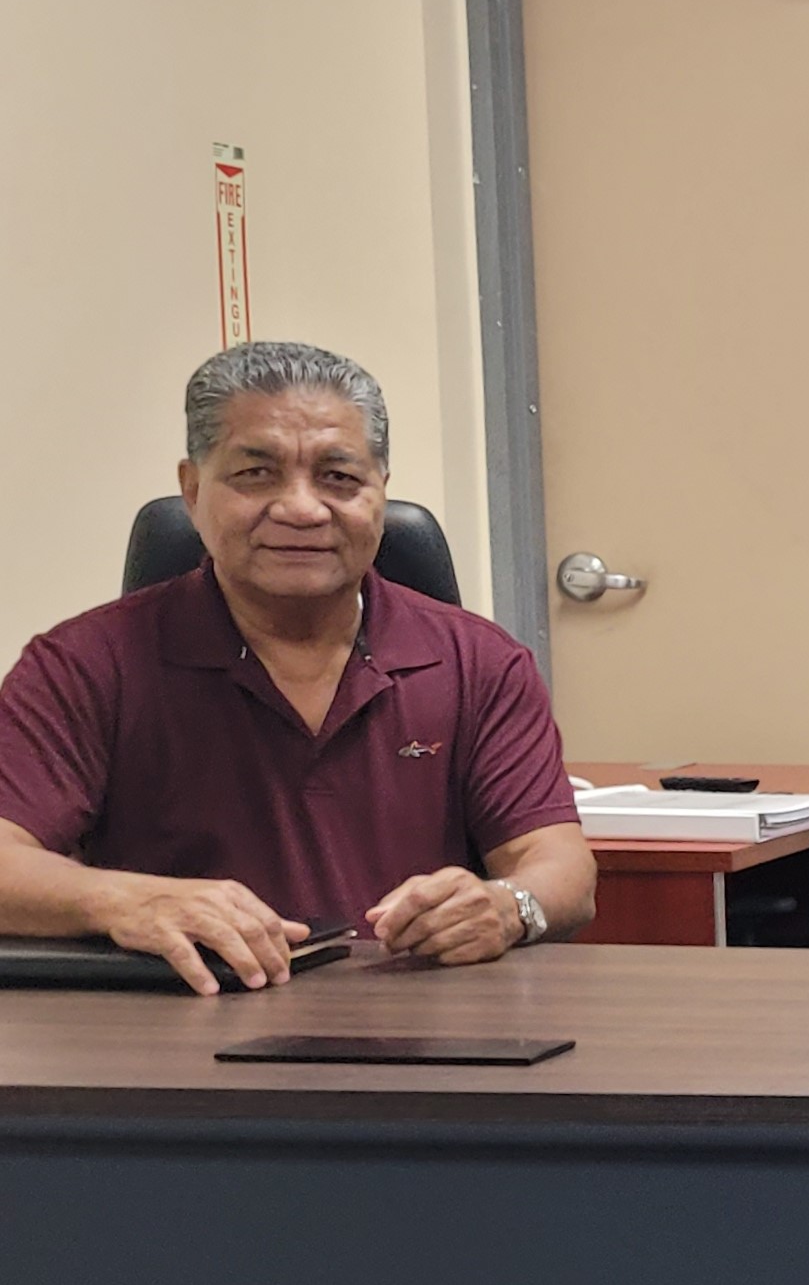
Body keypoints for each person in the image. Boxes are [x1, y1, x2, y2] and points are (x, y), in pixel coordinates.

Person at [0, 342, 593, 995]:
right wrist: (126, 901)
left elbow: (560, 866)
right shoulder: (85, 665)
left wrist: (509, 906)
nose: (302, 508)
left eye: (339, 477)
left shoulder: (478, 661)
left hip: (423, 1025)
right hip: (180, 1026)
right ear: (192, 490)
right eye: (257, 474)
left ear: (381, 491)